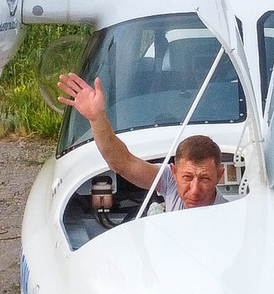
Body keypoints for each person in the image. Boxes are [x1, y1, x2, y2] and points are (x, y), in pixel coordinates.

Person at [57, 71, 224, 210]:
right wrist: (96, 118)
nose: (194, 190)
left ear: (219, 176)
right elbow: (122, 163)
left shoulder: (231, 216)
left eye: (205, 179)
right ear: (173, 173)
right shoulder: (169, 181)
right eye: (187, 177)